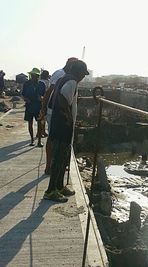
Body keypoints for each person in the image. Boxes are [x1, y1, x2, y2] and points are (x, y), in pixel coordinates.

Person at [43, 60, 89, 202]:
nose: (83, 77)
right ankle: (51, 191)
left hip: (58, 123)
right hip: (62, 125)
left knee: (63, 157)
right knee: (59, 157)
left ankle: (59, 186)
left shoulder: (63, 78)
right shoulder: (72, 82)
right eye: (83, 74)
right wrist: (68, 117)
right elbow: (63, 98)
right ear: (78, 72)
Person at [41, 57, 78, 175]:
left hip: (59, 111)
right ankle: (50, 166)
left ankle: (57, 164)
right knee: (54, 138)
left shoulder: (68, 76)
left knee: (56, 138)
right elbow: (51, 92)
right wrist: (44, 109)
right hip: (57, 112)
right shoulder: (61, 75)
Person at [22, 68, 45, 147]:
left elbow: (45, 96)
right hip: (29, 106)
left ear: (38, 76)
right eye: (32, 75)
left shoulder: (42, 84)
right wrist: (26, 99)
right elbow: (23, 95)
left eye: (36, 76)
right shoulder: (26, 84)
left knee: (40, 124)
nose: (34, 77)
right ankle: (32, 139)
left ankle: (39, 140)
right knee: (30, 123)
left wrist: (41, 98)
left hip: (38, 106)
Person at [39, 70, 50, 137]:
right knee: (43, 117)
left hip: (41, 100)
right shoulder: (48, 82)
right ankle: (42, 131)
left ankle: (41, 131)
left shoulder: (40, 82)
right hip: (45, 101)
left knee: (41, 117)